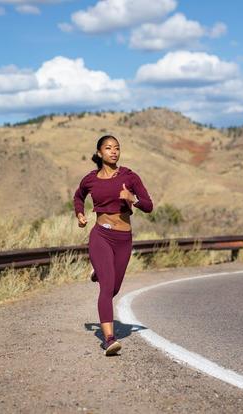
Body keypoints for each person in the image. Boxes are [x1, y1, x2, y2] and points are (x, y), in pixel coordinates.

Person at [73, 135, 153, 356]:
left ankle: (99, 271)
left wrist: (132, 198)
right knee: (107, 289)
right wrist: (80, 214)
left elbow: (148, 205)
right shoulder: (90, 179)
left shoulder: (130, 176)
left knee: (114, 288)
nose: (113, 152)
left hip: (123, 239)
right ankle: (109, 339)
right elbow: (78, 197)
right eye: (108, 148)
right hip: (101, 236)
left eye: (117, 148)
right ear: (99, 153)